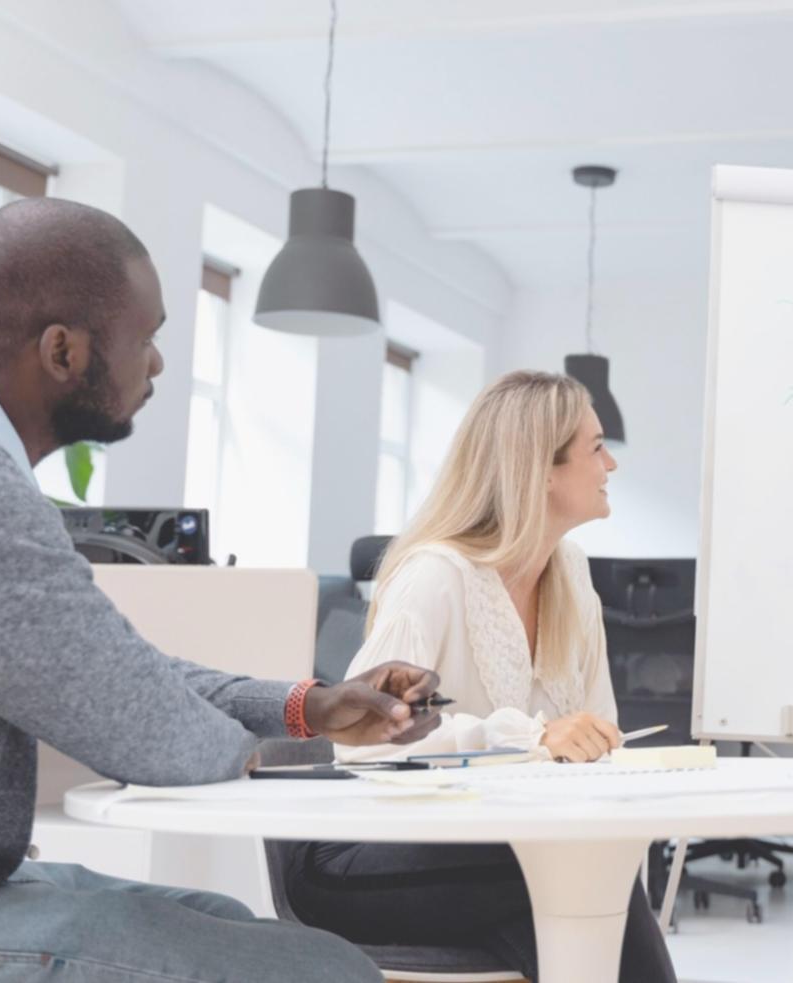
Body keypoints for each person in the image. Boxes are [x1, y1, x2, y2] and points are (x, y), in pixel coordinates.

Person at [0, 197, 446, 982]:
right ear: (63, 351)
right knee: (322, 973)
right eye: (149, 337)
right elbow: (139, 724)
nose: (160, 364)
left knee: (231, 922)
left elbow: (116, 670)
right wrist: (288, 758)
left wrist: (309, 706)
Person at [286, 371, 677, 983]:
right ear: (541, 470)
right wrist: (532, 739)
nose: (611, 464)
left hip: (492, 853)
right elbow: (359, 738)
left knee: (578, 887)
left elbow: (601, 735)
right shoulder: (436, 576)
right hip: (357, 854)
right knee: (579, 877)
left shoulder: (573, 576)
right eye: (596, 446)